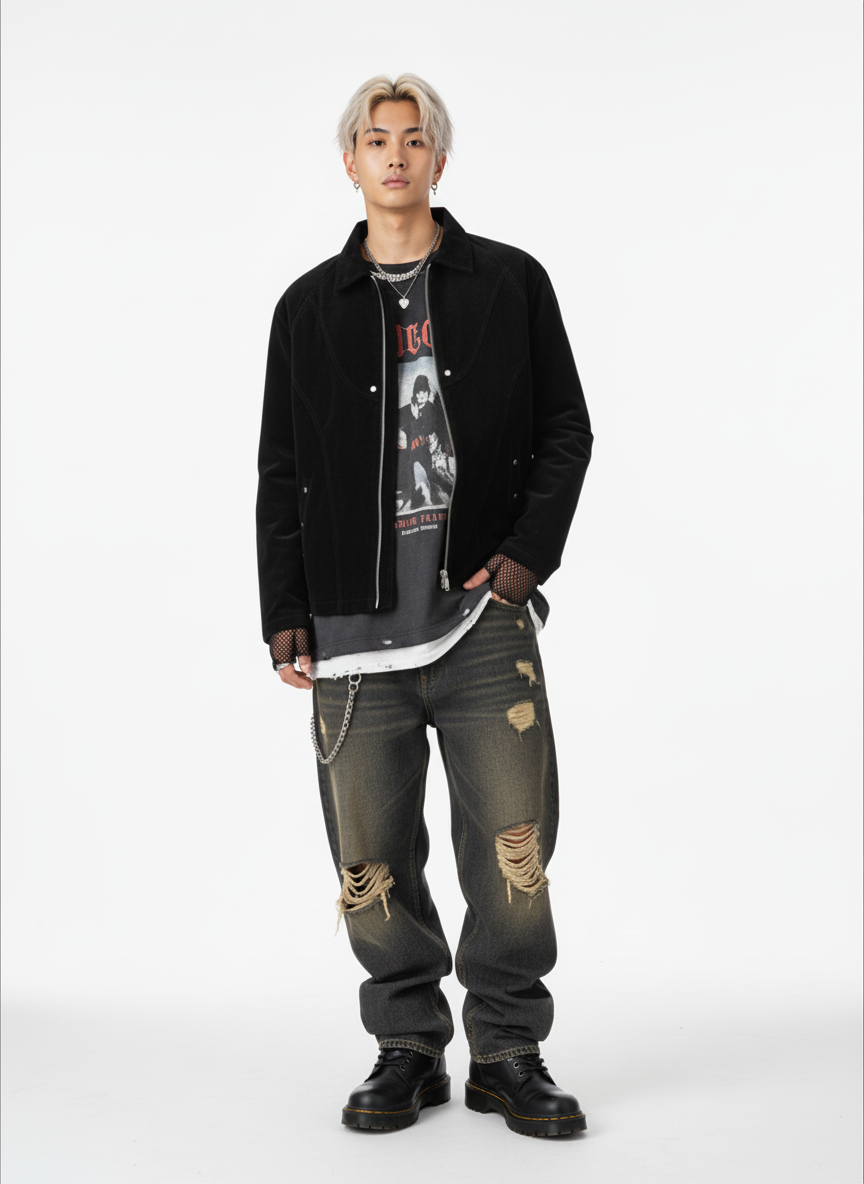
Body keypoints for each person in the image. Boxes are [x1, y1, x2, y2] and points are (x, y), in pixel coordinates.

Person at [256, 73, 593, 1137]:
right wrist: (285, 608)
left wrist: (523, 561)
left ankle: (508, 1049)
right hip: (352, 637)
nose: (394, 155)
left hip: (480, 623)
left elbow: (566, 429)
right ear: (349, 161)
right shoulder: (307, 308)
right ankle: (407, 1043)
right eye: (375, 139)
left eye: (413, 139)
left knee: (514, 845)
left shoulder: (510, 283)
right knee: (370, 859)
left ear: (439, 160)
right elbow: (281, 468)